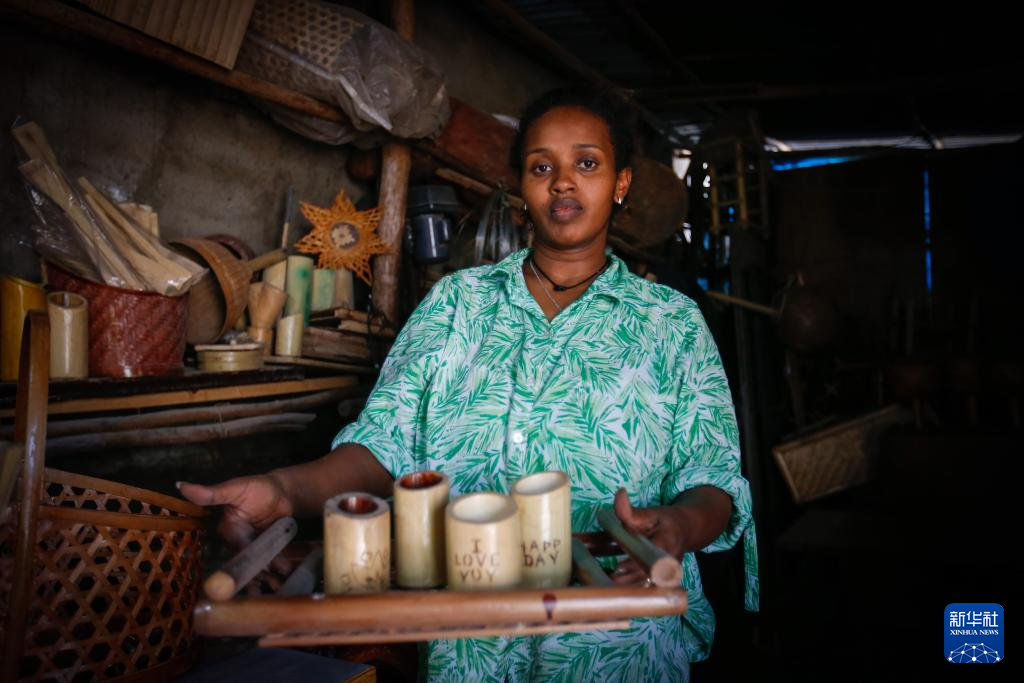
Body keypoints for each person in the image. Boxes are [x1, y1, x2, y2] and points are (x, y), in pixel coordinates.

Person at [180, 87, 758, 682]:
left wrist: (680, 526)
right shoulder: (458, 304)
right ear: (520, 189)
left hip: (619, 647)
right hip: (472, 648)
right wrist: (281, 490)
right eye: (542, 167)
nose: (563, 182)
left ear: (621, 183)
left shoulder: (671, 324)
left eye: (586, 163)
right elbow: (385, 443)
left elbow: (712, 479)